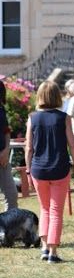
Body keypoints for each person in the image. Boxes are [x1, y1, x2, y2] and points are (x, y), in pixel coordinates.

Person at [24, 81, 74, 262]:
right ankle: (53, 251)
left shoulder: (32, 118)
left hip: (38, 169)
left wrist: (28, 170)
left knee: (44, 208)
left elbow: (29, 148)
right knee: (56, 210)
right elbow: (72, 145)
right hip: (59, 168)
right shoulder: (64, 118)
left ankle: (44, 247)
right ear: (57, 96)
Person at [0, 81, 18, 212]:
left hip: (3, 158)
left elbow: (6, 131)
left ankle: (9, 228)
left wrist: (6, 150)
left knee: (11, 194)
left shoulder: (1, 109)